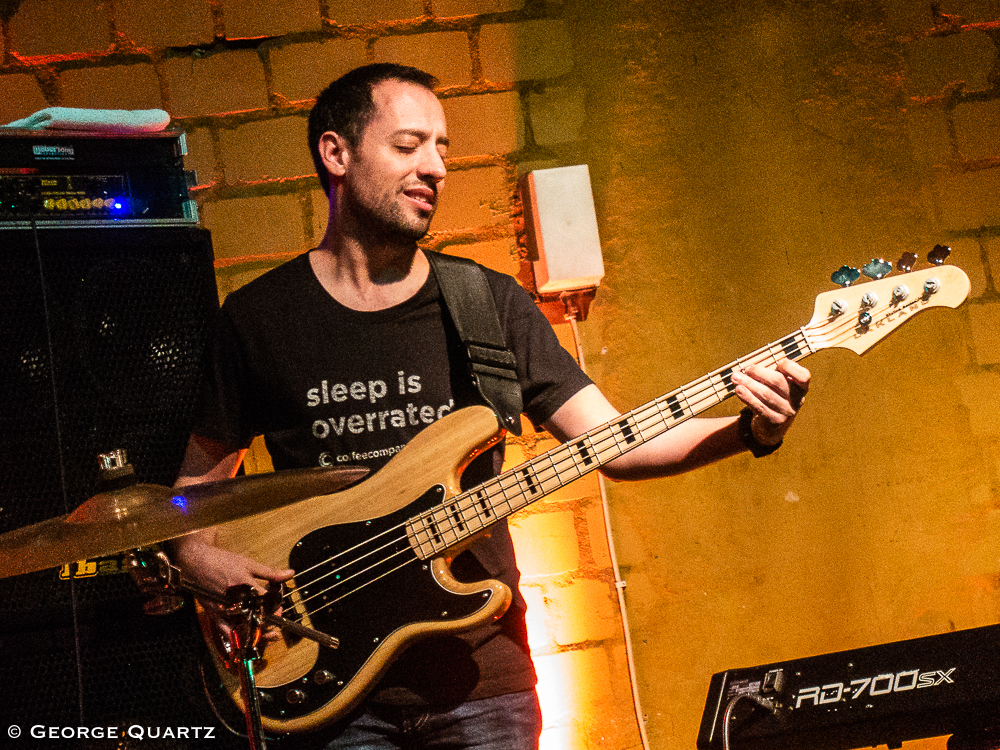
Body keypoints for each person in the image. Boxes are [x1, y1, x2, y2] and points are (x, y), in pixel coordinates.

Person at [170, 63, 810, 749]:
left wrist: (747, 430)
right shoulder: (260, 318)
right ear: (336, 153)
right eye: (409, 144)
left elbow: (616, 445)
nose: (436, 167)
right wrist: (199, 560)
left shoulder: (486, 304)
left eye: (442, 148)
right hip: (323, 681)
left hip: (481, 685)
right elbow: (191, 497)